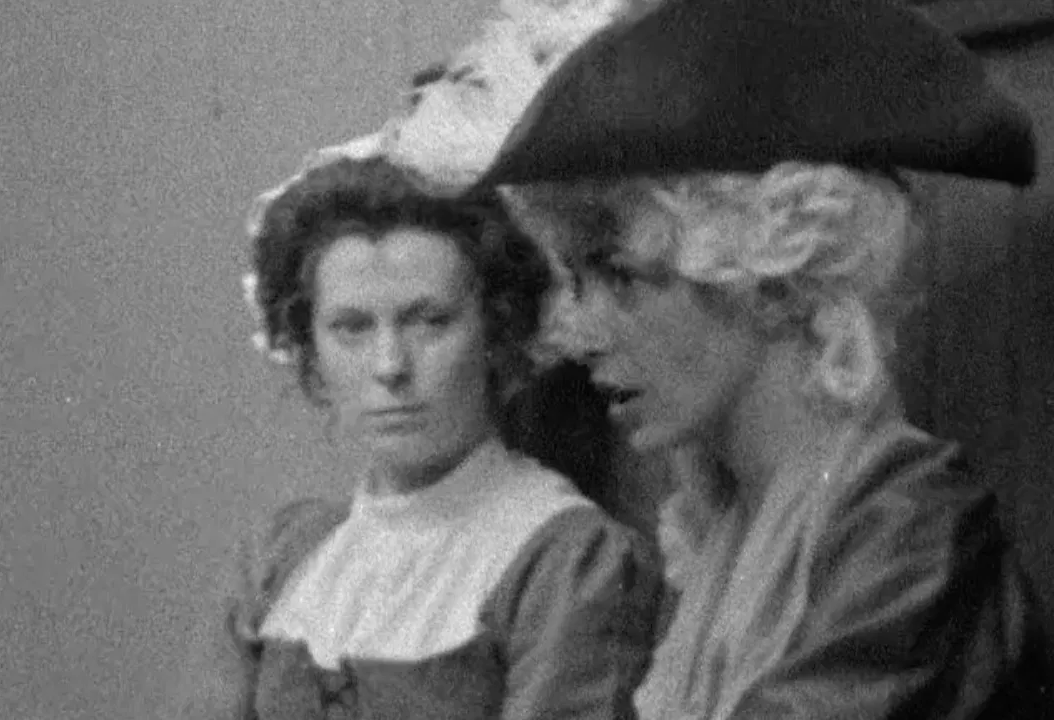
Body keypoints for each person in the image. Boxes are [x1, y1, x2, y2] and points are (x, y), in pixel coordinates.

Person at [382, 0, 1051, 717]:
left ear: (765, 280)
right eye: (578, 280)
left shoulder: (909, 529)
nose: (583, 334)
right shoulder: (724, 537)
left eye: (621, 275)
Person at [210, 142, 662, 720]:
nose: (390, 366)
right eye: (351, 328)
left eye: (429, 321)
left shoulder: (566, 559)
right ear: (311, 353)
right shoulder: (280, 560)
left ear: (497, 333)